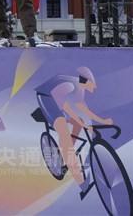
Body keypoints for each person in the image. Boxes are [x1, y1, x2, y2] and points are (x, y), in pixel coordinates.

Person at [35, 66, 113, 195]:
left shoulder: (80, 89)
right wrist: (78, 121)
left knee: (79, 122)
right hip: (46, 98)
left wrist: (103, 121)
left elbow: (84, 108)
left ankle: (67, 150)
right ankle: (81, 183)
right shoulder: (70, 85)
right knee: (63, 129)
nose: (94, 88)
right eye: (93, 85)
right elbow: (63, 105)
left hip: (56, 101)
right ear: (87, 81)